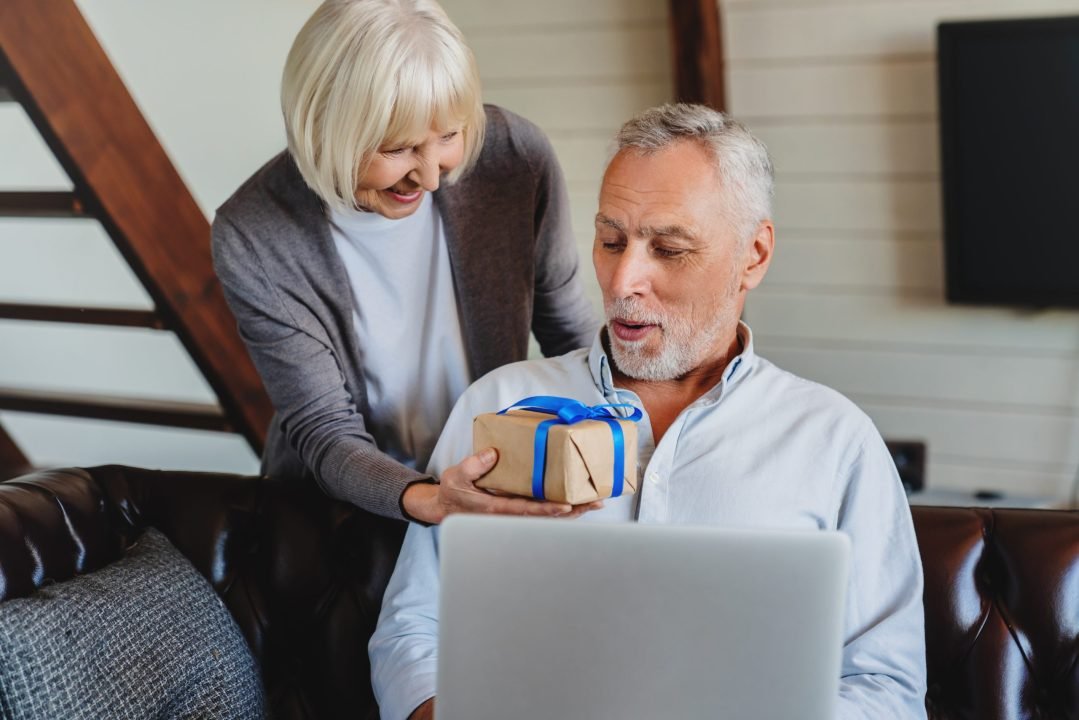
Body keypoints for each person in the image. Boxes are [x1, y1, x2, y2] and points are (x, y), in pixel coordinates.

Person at [369, 103, 929, 720]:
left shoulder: (835, 441)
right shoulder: (497, 406)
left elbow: (886, 687)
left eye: (669, 248)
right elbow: (409, 632)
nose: (623, 280)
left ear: (754, 255)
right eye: (611, 241)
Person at [211, 0, 599, 525]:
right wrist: (432, 498)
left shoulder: (516, 159)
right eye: (397, 149)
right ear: (322, 127)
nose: (432, 177)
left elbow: (568, 332)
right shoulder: (253, 235)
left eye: (448, 137)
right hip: (334, 520)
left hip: (493, 491)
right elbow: (325, 431)